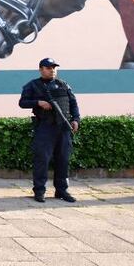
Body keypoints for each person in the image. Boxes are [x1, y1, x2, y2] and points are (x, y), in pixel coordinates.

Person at [19, 57, 80, 203]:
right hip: (45, 127)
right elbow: (22, 102)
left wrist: (76, 119)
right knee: (42, 160)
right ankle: (39, 191)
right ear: (41, 69)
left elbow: (73, 104)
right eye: (48, 67)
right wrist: (38, 102)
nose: (52, 70)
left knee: (63, 160)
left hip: (63, 128)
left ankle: (62, 190)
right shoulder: (33, 85)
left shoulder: (64, 85)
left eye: (54, 67)